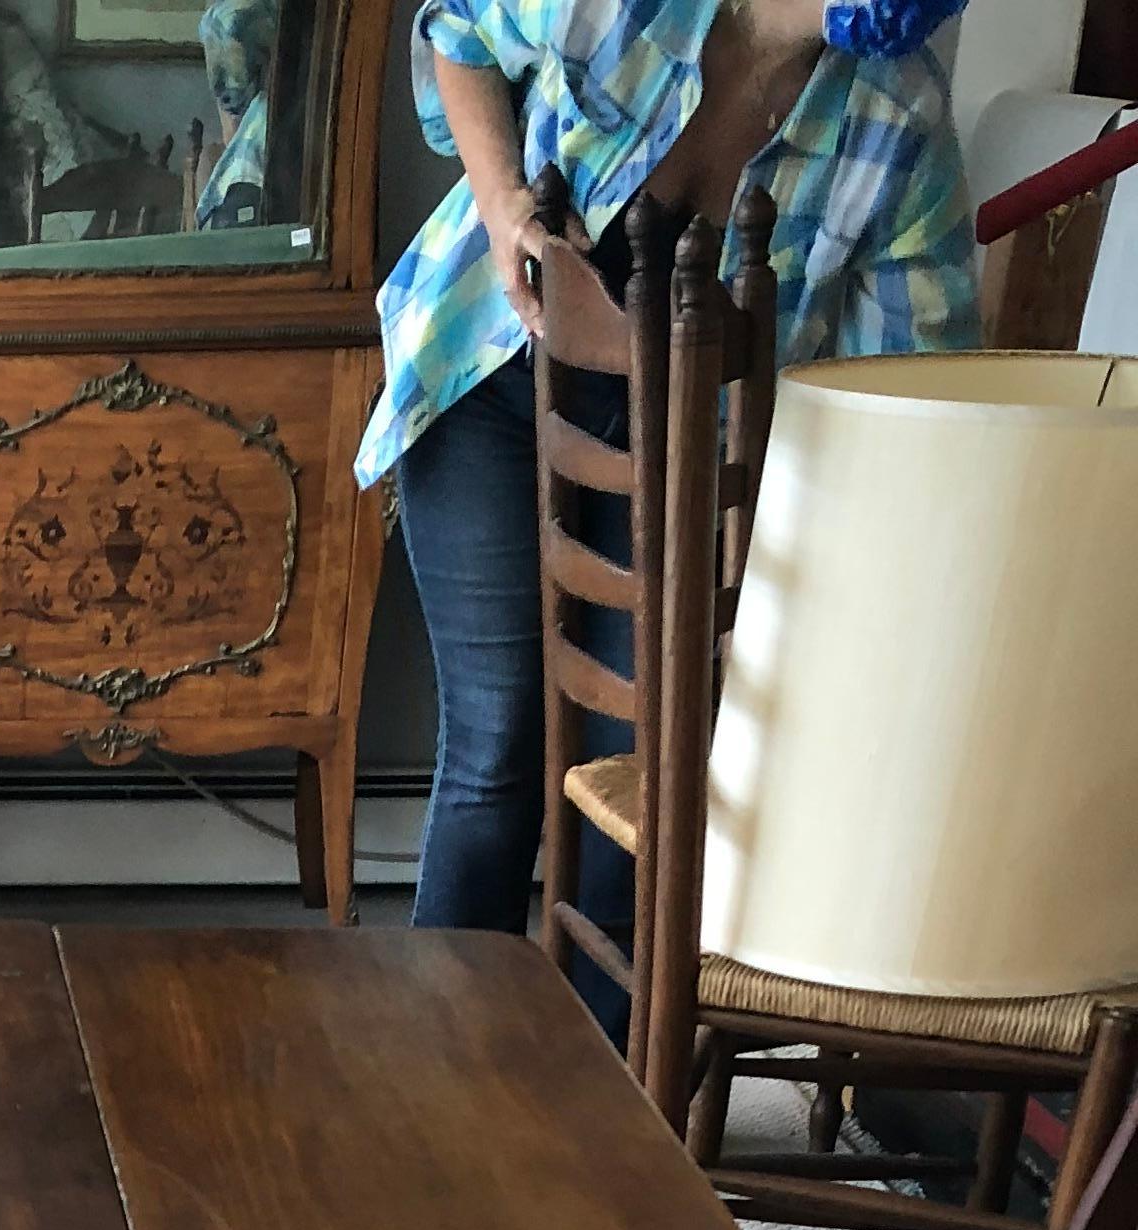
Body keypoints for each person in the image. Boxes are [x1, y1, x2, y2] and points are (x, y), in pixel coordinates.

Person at [360, 0, 975, 984]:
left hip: (683, 454)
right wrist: (502, 200)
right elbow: (455, 29)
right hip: (492, 381)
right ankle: (436, 1080)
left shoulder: (898, 124)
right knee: (500, 746)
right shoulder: (616, 9)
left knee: (632, 771)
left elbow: (918, 386)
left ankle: (603, 1103)